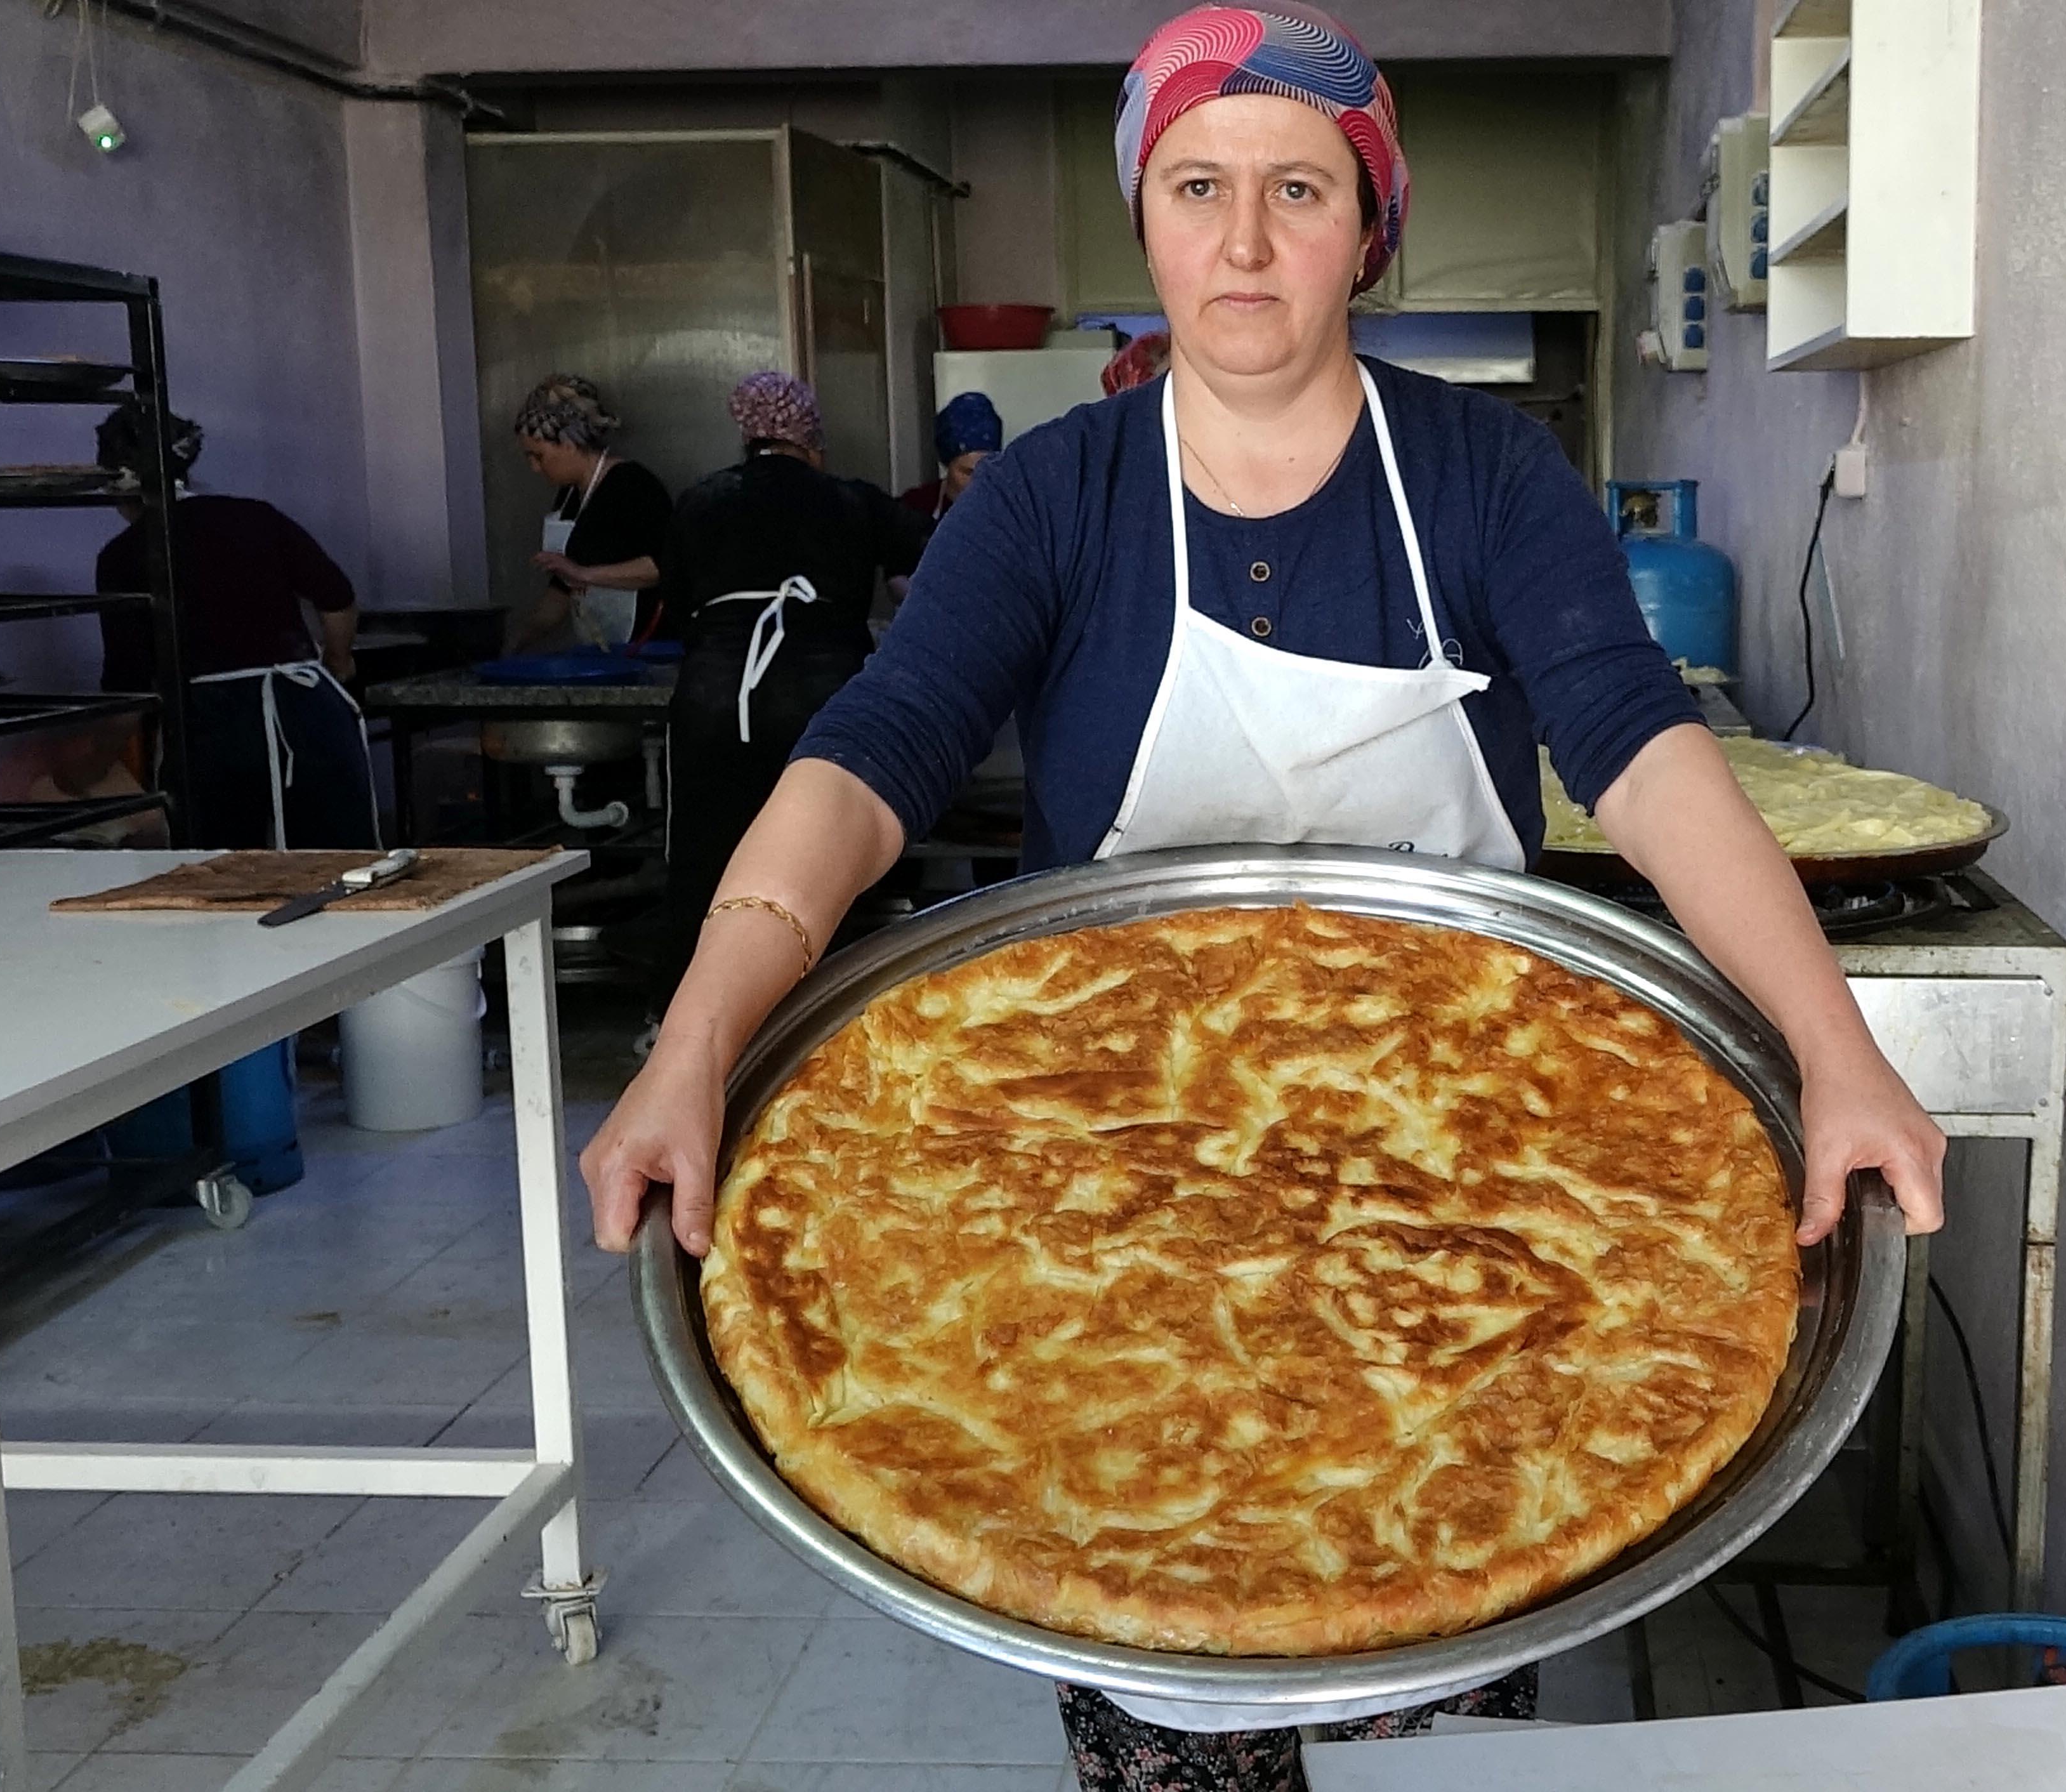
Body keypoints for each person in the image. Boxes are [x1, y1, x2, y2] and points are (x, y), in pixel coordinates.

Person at [584, 6, 1947, 1784]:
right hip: (1113, 1196)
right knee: (1140, 1634)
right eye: (1197, 185)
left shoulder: (1483, 478)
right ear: (1145, 216)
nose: (1242, 242)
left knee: (1451, 1639)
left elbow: (1638, 747)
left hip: (1484, 1172)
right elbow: (870, 758)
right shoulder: (1057, 498)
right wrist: (695, 1044)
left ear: (1371, 229)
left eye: (1298, 189)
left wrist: (1831, 1048)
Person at [648, 370, 929, 1006]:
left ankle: (684, 1016)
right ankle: (834, 1013)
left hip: (719, 697)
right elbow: (924, 571)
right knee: (831, 850)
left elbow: (676, 597)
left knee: (706, 855)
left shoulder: (700, 500)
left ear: (748, 438)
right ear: (813, 441)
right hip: (824, 694)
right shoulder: (852, 500)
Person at [86, 401, 376, 851]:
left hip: (215, 734)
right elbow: (337, 600)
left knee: (223, 880)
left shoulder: (124, 555)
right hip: (309, 714)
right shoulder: (256, 516)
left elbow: (128, 689)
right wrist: (338, 662)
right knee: (335, 871)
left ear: (114, 484)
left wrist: (91, 768)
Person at [509, 374, 673, 650]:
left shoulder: (633, 485)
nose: (535, 468)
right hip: (601, 648)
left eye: (539, 456)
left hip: (651, 646)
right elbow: (563, 587)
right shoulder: (570, 496)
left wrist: (583, 574)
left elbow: (664, 567)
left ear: (569, 445)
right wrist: (522, 639)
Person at [898, 390, 1004, 523]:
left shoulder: (1010, 511)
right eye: (967, 473)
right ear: (948, 464)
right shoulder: (916, 505)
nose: (978, 482)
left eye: (987, 471)